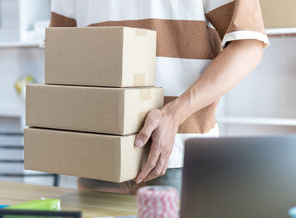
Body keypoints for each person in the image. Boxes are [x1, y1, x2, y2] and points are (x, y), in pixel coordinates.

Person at [49, 0, 269, 194]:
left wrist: (173, 114)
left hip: (177, 158)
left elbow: (249, 45)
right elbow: (63, 50)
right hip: (98, 156)